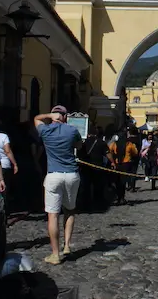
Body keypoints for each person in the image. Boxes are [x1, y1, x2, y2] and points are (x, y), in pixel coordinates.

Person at [33, 105, 83, 265]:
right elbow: (79, 146)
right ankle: (67, 245)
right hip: (71, 174)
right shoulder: (72, 130)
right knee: (70, 210)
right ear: (65, 117)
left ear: (53, 116)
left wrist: (49, 115)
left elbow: (36, 118)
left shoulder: (45, 130)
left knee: (53, 215)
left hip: (54, 175)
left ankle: (55, 254)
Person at [79, 125, 112, 210]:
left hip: (86, 167)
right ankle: (98, 202)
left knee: (86, 186)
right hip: (98, 167)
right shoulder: (101, 142)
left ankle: (85, 203)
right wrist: (113, 162)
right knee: (98, 186)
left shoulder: (84, 142)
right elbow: (108, 154)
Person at [0, 116, 18, 211]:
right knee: (4, 188)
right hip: (4, 165)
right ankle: (4, 209)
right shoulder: (3, 136)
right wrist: (14, 164)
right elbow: (7, 151)